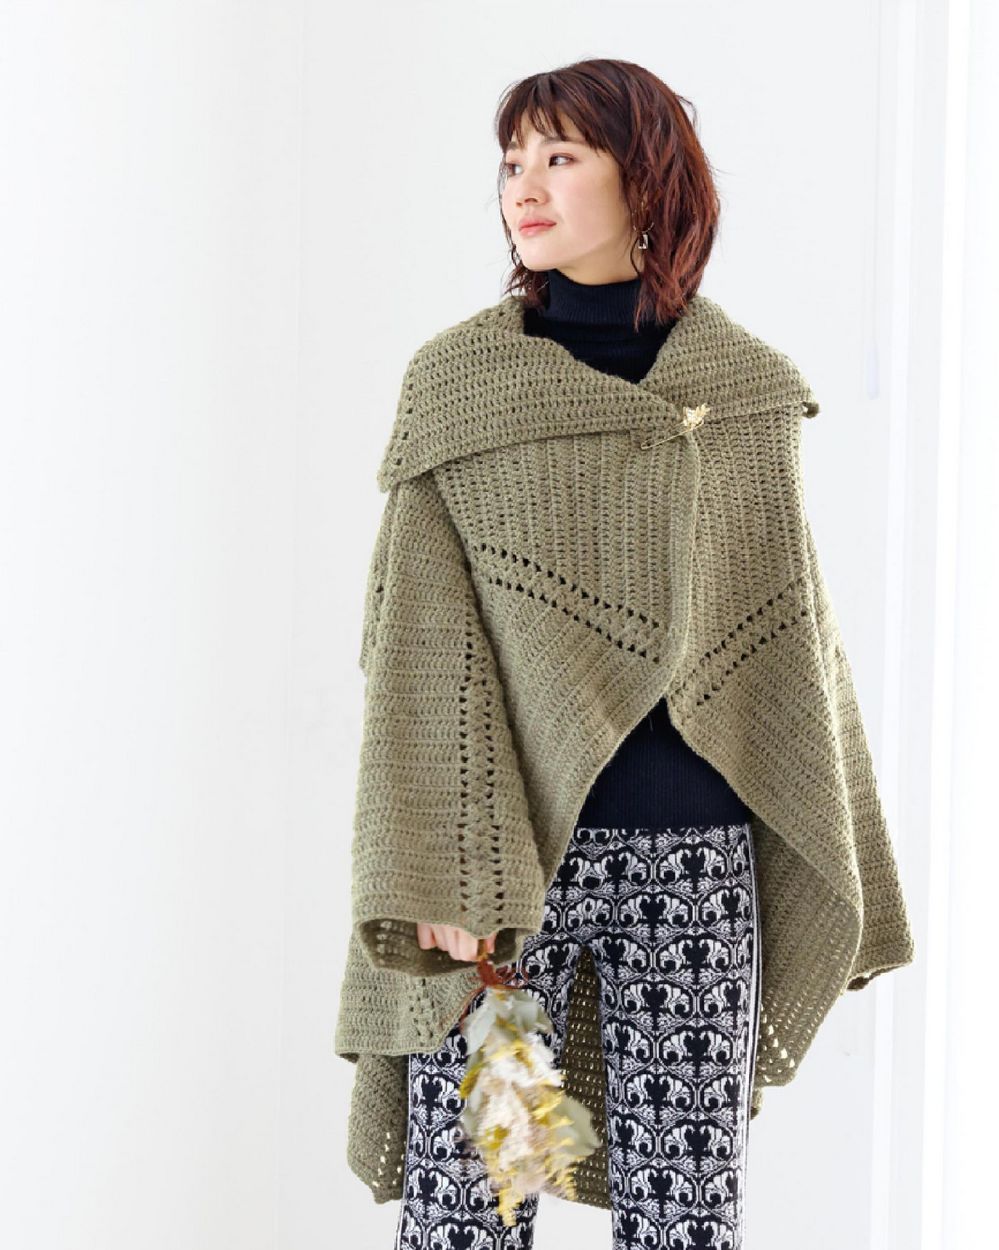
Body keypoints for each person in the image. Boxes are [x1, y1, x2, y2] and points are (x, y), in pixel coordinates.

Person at [334, 57, 916, 1250]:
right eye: (512, 161)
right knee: (475, 1207)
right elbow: (419, 650)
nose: (524, 186)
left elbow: (793, 646)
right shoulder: (460, 388)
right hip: (508, 891)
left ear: (646, 181)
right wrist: (439, 869)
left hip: (696, 876)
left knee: (684, 1218)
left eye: (560, 156)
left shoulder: (743, 394)